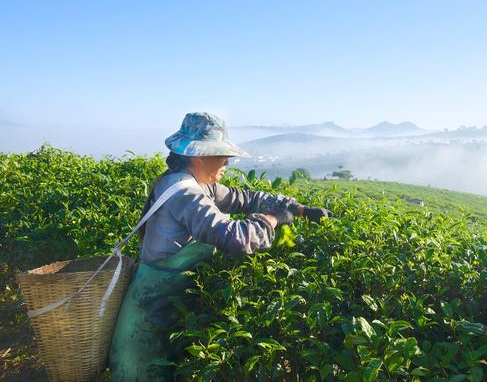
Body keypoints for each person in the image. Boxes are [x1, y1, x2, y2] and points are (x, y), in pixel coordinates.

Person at [109, 112, 332, 381]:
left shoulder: (198, 183)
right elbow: (233, 237)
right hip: (149, 316)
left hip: (169, 307)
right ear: (199, 156)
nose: (227, 161)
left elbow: (245, 199)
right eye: (221, 154)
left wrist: (298, 208)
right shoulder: (184, 192)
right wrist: (272, 220)